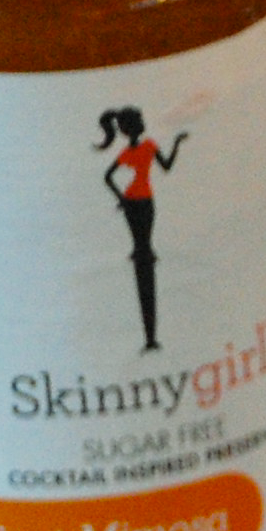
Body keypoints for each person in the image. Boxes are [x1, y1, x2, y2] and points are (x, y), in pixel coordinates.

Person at [96, 106, 187, 352]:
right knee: (143, 251)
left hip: (140, 202)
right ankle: (150, 338)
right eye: (140, 119)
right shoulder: (142, 148)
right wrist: (122, 199)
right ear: (131, 127)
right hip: (141, 202)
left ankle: (150, 337)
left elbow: (164, 167)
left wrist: (176, 144)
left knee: (143, 250)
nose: (143, 122)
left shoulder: (144, 147)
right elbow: (108, 176)